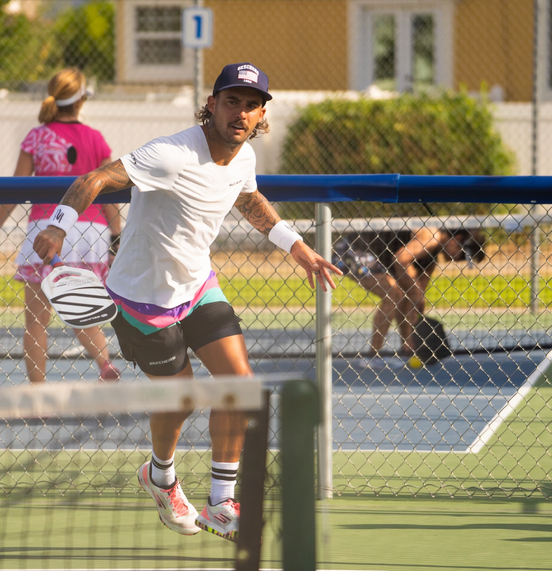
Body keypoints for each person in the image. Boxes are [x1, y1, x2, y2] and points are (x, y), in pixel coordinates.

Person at [32, 63, 340, 541]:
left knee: (240, 386)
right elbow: (94, 178)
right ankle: (160, 475)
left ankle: (221, 503)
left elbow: (249, 200)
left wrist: (298, 248)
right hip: (140, 301)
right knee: (183, 398)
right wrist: (58, 224)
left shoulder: (242, 158)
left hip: (197, 288)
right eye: (232, 101)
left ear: (262, 114)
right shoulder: (171, 154)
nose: (241, 113)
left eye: (251, 104)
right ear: (212, 105)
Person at [0, 68, 122, 384]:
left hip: (47, 231)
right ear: (82, 99)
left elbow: (16, 189)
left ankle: (39, 392)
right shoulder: (95, 138)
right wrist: (116, 238)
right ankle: (104, 364)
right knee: (82, 309)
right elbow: (109, 193)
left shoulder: (37, 137)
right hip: (91, 232)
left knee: (36, 319)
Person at [334, 226, 485, 362]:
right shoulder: (432, 236)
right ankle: (372, 357)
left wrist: (411, 337)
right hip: (354, 249)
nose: (456, 260)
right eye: (460, 255)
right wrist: (417, 292)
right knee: (393, 294)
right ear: (456, 240)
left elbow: (414, 298)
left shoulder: (430, 260)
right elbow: (400, 259)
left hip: (376, 258)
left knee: (404, 295)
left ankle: (406, 349)